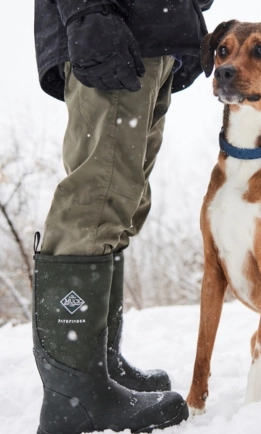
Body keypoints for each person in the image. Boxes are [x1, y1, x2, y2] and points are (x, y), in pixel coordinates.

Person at [33, 1, 213, 433]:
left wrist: (185, 24)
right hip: (111, 25)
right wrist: (87, 12)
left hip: (151, 34)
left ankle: (99, 366)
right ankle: (74, 395)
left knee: (124, 204)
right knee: (97, 201)